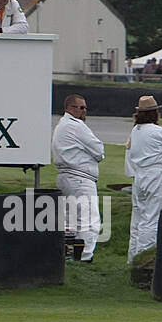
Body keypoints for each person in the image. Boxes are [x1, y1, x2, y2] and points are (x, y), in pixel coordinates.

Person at [124, 95, 162, 261]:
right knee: (152, 218)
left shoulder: (135, 131)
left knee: (139, 218)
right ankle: (144, 260)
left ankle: (133, 258)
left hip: (140, 175)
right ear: (154, 113)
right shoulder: (158, 131)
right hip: (157, 175)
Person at [51, 94, 106, 262]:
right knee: (89, 220)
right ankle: (84, 256)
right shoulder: (76, 126)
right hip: (80, 178)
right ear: (69, 108)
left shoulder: (62, 125)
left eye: (84, 108)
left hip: (66, 176)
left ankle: (70, 255)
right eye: (80, 107)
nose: (84, 111)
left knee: (71, 220)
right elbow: (99, 151)